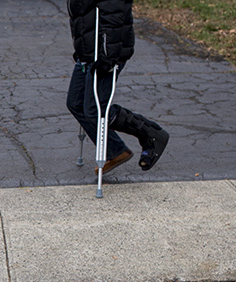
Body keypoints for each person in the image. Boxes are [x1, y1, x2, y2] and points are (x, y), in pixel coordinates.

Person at [66, 0, 169, 174]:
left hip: (106, 53)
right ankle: (116, 151)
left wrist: (107, 57)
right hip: (89, 52)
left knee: (94, 109)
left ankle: (150, 132)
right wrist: (81, 47)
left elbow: (113, 18)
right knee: (75, 103)